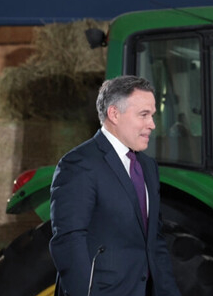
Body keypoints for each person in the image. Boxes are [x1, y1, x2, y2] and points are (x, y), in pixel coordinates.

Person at [49, 76, 181, 296]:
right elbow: (69, 241)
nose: (152, 124)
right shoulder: (79, 164)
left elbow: (155, 242)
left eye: (152, 115)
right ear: (114, 114)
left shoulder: (148, 166)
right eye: (143, 115)